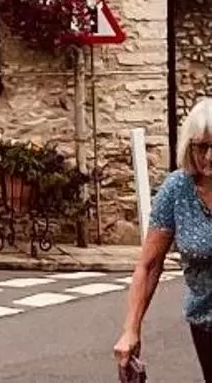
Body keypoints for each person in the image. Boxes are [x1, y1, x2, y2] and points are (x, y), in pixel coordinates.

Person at [119, 100, 212, 380]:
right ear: (189, 147)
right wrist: (131, 330)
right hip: (206, 325)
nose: (209, 157)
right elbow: (148, 265)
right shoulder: (177, 190)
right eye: (202, 147)